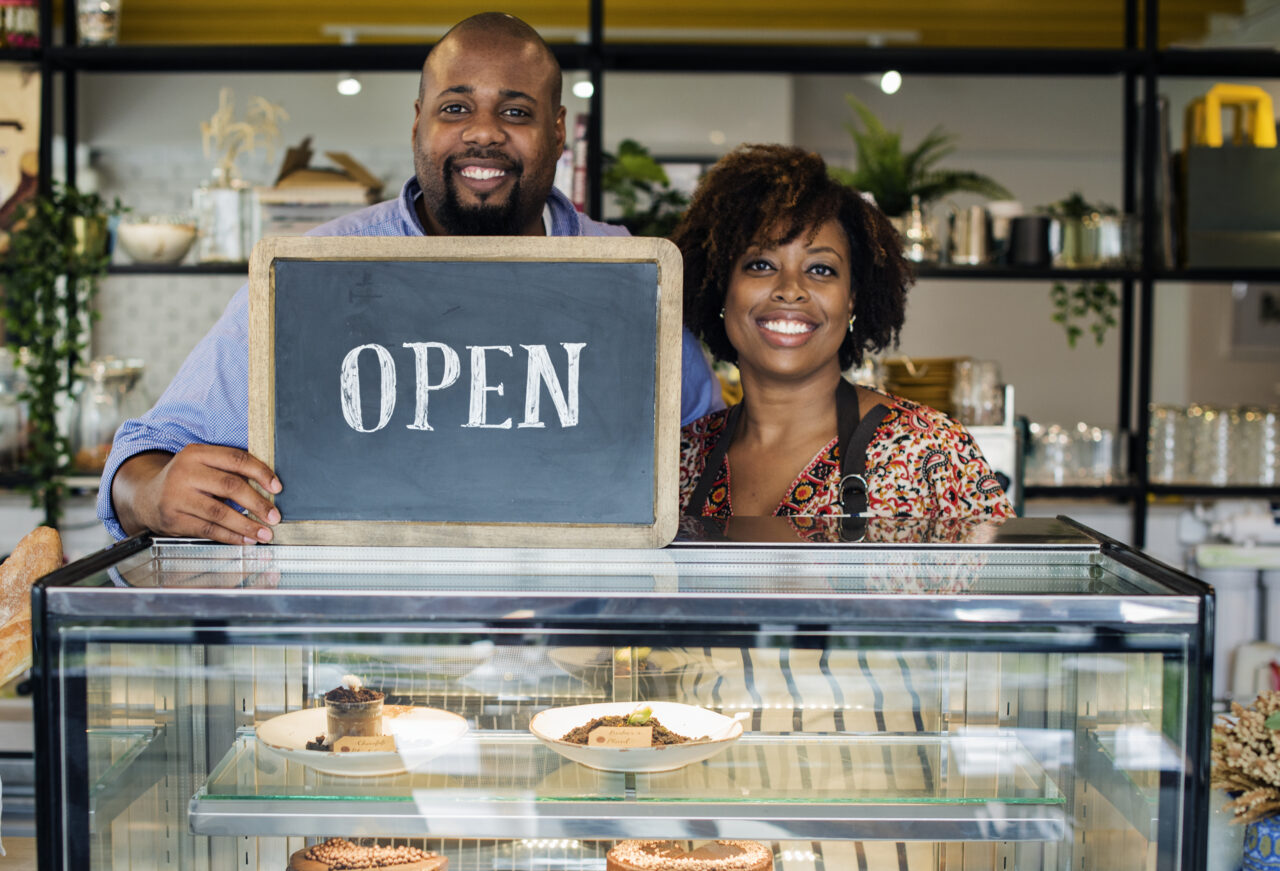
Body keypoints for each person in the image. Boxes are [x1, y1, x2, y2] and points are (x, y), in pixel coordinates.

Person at [98, 12, 721, 545]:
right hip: (360, 640)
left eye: (515, 111)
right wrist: (152, 494)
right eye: (456, 108)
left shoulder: (633, 279)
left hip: (577, 635)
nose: (484, 131)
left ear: (557, 131)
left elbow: (710, 456)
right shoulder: (314, 273)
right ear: (418, 121)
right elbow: (144, 454)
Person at [672, 143, 1013, 521]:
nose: (790, 289)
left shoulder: (930, 452)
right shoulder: (680, 459)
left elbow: (1009, 562)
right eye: (761, 264)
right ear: (721, 288)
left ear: (851, 300)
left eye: (820, 269)